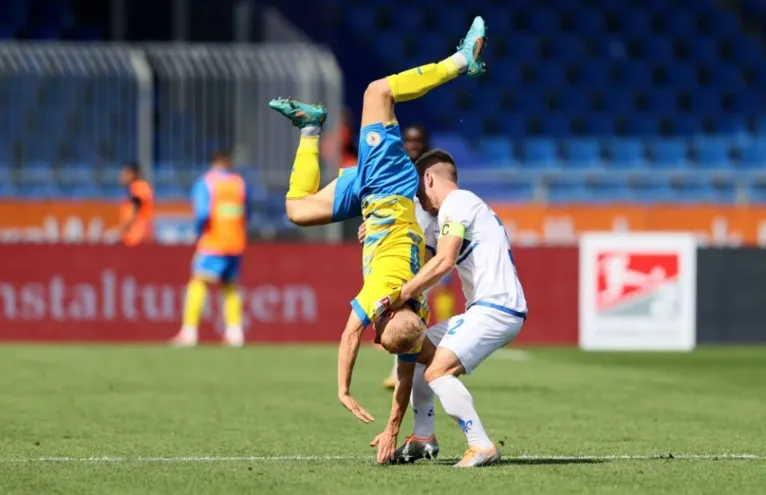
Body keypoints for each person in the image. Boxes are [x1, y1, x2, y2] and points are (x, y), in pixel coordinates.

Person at [269, 16, 487, 423]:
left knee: (297, 210)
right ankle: (461, 61)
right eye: (378, 328)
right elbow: (350, 335)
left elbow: (410, 368)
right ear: (385, 315)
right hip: (387, 186)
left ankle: (311, 127)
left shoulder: (417, 314)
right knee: (378, 91)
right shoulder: (384, 296)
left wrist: (392, 428)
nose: (372, 328)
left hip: (370, 201)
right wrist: (343, 391)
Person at [369, 149, 528, 468]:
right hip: (485, 309)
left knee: (437, 370)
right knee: (415, 354)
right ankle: (424, 436)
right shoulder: (452, 213)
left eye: (419, 191)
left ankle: (481, 445)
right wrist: (375, 233)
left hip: (496, 308)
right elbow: (425, 257)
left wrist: (399, 296)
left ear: (429, 178)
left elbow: (443, 261)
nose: (420, 200)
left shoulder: (458, 203)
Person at [171, 151, 251, 348]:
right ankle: (235, 333)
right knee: (230, 286)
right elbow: (246, 211)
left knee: (198, 282)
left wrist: (199, 232)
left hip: (214, 241)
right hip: (235, 241)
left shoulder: (206, 182)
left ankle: (189, 332)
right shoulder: (239, 183)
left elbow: (202, 213)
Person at [382, 124, 433, 390]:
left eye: (418, 140)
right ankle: (406, 366)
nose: (413, 144)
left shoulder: (431, 173)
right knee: (402, 306)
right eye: (409, 140)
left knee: (412, 307)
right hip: (401, 245)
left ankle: (406, 368)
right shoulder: (398, 170)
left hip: (425, 245)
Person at [118, 162, 154, 246]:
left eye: (125, 173)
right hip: (136, 236)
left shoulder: (139, 187)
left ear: (132, 174)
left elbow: (134, 209)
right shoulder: (136, 187)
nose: (122, 176)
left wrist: (122, 229)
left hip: (137, 236)